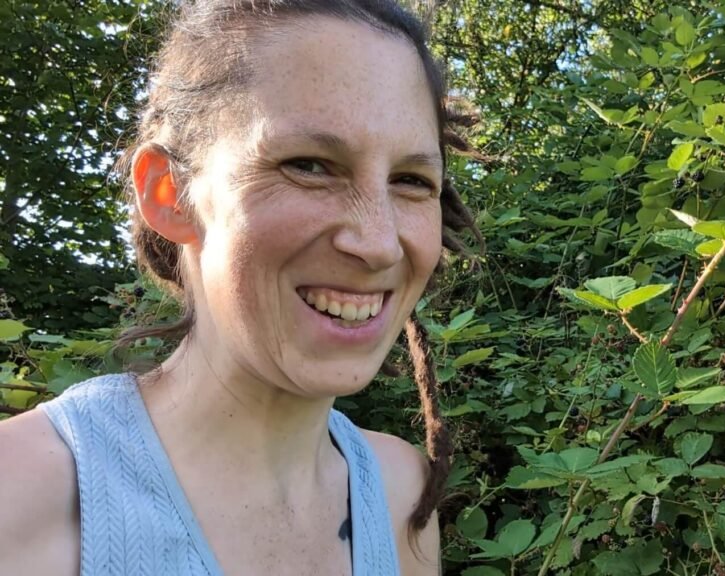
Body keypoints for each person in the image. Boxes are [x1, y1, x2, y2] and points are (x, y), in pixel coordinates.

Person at [0, 1, 481, 574]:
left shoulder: (402, 492)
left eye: (410, 180)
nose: (378, 244)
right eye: (308, 165)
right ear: (169, 194)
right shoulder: (21, 497)